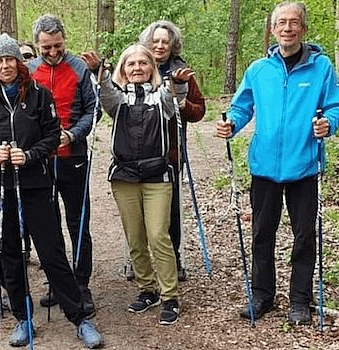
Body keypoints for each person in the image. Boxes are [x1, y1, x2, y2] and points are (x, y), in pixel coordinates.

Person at [0, 33, 103, 349]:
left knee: (51, 250)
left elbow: (52, 136)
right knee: (10, 253)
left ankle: (79, 317)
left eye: (9, 59)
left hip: (36, 182)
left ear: (20, 61)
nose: (5, 66)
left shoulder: (40, 95)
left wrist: (29, 155)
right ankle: (23, 319)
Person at [216, 1, 339, 326]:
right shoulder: (258, 69)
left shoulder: (321, 67)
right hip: (265, 167)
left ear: (303, 29)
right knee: (262, 234)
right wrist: (231, 124)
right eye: (281, 22)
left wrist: (328, 123)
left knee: (303, 237)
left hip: (305, 166)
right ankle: (262, 295)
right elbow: (241, 107)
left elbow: (334, 106)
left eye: (294, 22)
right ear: (272, 29)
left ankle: (300, 300)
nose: (287, 28)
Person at [81, 44, 187, 325]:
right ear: (124, 70)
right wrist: (98, 72)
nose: (137, 68)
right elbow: (104, 95)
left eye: (143, 63)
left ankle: (170, 296)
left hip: (157, 174)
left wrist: (178, 82)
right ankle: (146, 289)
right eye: (131, 64)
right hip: (124, 176)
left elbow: (176, 97)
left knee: (158, 235)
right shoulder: (118, 100)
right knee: (135, 237)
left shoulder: (161, 95)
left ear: (152, 67)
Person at [27, 14, 97, 315]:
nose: (53, 53)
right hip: (41, 160)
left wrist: (72, 134)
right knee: (48, 224)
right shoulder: (29, 71)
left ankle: (81, 284)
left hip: (74, 156)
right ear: (37, 45)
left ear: (64, 40)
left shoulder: (79, 68)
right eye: (46, 48)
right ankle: (58, 281)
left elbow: (93, 112)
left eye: (57, 46)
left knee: (77, 221)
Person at [138, 20, 206, 282]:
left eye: (165, 41)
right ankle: (140, 259)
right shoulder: (136, 65)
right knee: (138, 208)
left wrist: (181, 100)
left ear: (172, 45)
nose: (160, 45)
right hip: (138, 151)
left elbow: (198, 111)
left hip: (170, 153)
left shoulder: (183, 72)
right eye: (156, 41)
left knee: (171, 209)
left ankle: (174, 258)